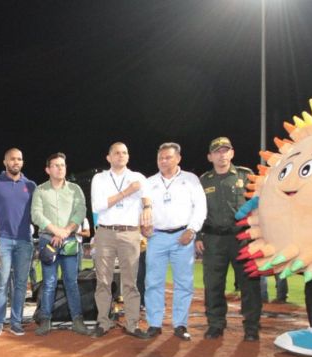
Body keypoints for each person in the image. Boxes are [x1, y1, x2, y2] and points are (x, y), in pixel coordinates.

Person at [196, 137, 261, 341]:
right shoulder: (204, 180)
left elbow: (260, 205)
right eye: (217, 152)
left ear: (232, 153)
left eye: (225, 151)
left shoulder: (246, 175)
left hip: (242, 239)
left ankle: (251, 327)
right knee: (213, 284)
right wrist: (198, 236)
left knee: (249, 284)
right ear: (210, 156)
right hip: (214, 239)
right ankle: (216, 324)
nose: (222, 155)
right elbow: (196, 210)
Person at [143, 142, 206, 340]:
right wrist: (142, 226)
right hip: (157, 237)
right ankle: (154, 324)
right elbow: (141, 208)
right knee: (153, 282)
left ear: (178, 158)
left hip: (183, 236)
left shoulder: (191, 179)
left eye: (168, 157)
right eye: (160, 158)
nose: (163, 161)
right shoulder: (149, 181)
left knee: (184, 283)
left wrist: (192, 229)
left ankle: (180, 324)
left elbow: (201, 207)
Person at [89, 142, 152, 338]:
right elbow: (98, 206)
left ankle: (132, 324)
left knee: (130, 281)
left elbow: (147, 197)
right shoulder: (100, 178)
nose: (121, 156)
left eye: (124, 152)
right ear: (109, 157)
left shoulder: (137, 177)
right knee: (103, 280)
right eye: (116, 153)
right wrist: (127, 192)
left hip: (130, 232)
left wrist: (148, 207)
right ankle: (103, 322)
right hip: (106, 232)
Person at [30, 153, 90, 336]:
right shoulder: (40, 190)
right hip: (49, 240)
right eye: (56, 165)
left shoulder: (75, 189)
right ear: (48, 169)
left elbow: (80, 211)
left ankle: (77, 320)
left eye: (62, 165)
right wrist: (56, 231)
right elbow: (36, 214)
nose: (60, 168)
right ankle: (45, 320)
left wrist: (65, 231)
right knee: (49, 282)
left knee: (71, 281)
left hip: (70, 239)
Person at [0, 148, 36, 336]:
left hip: (24, 240)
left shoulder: (30, 185)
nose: (16, 162)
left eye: (19, 159)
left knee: (21, 284)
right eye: (12, 159)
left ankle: (16, 322)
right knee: (1, 283)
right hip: (2, 240)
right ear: (5, 161)